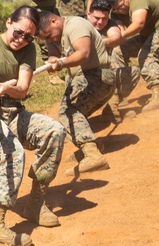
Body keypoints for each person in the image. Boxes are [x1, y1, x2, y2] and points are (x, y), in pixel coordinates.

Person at [0, 6, 66, 246]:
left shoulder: (28, 49)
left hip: (12, 112)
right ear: (9, 22)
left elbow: (22, 89)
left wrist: (5, 88)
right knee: (12, 152)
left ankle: (35, 203)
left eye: (28, 36)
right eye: (18, 32)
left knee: (55, 131)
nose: (21, 40)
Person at [37, 12, 113, 173]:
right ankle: (93, 148)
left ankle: (93, 156)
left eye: (49, 35)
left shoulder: (75, 25)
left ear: (54, 21)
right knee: (75, 115)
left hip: (97, 76)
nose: (49, 40)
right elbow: (54, 52)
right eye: (45, 39)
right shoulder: (55, 35)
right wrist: (52, 58)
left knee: (68, 111)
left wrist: (61, 63)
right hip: (87, 78)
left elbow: (82, 53)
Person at [102, 0, 159, 111]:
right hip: (149, 34)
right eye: (116, 9)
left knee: (146, 54)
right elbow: (120, 30)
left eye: (121, 6)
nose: (120, 10)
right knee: (119, 50)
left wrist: (122, 36)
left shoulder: (138, 1)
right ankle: (119, 94)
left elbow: (139, 24)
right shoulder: (116, 13)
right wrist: (118, 37)